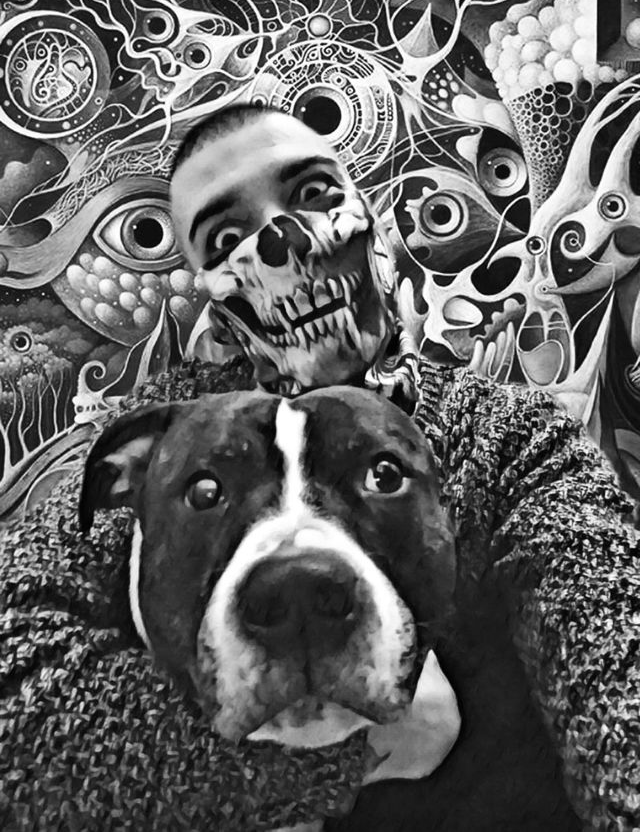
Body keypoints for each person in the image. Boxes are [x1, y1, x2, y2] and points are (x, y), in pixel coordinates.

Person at [1, 104, 638, 831]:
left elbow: (616, 662)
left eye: (311, 194)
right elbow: (13, 694)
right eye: (227, 238)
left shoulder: (509, 439)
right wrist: (345, 754)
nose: (283, 244)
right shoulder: (166, 434)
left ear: (369, 214)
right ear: (208, 291)